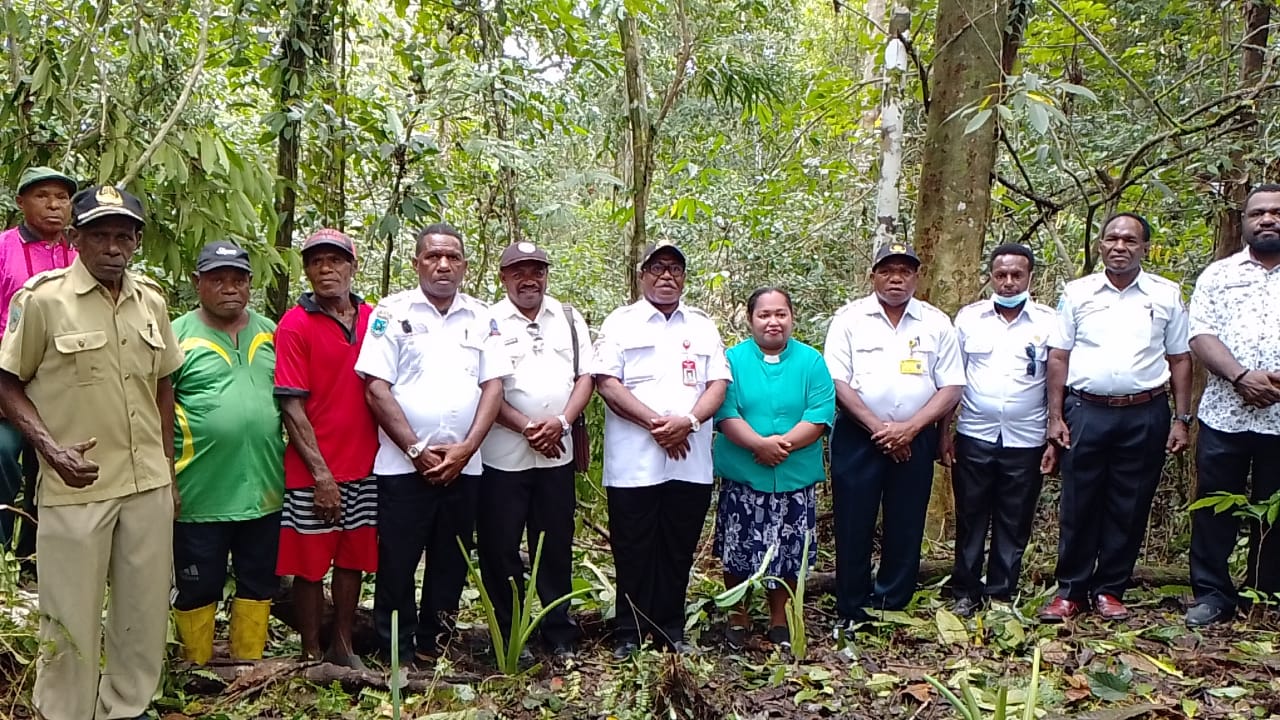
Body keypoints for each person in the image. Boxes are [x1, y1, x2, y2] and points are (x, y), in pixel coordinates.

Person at [0, 184, 183, 720]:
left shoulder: (151, 299)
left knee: (142, 617)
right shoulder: (42, 299)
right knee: (68, 620)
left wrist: (168, 474)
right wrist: (50, 449)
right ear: (76, 238)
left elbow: (164, 387)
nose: (111, 246)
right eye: (99, 234)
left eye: (122, 235)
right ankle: (64, 714)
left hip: (146, 484)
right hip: (76, 487)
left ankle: (124, 710)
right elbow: (7, 381)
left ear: (137, 241)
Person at [356, 223, 506, 665]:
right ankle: (394, 650)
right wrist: (416, 450)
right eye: (433, 257)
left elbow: (493, 387)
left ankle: (433, 646)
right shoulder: (391, 311)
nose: (443, 265)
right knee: (398, 561)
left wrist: (467, 449)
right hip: (403, 467)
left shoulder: (483, 317)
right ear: (417, 262)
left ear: (464, 265)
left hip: (465, 467)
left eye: (453, 257)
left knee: (451, 560)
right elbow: (376, 389)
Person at [1040, 212, 1192, 623]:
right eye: (1112, 239)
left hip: (1145, 412)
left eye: (1130, 240)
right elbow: (1059, 356)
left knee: (1130, 502)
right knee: (1078, 502)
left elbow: (1179, 357)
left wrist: (1181, 418)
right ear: (1101, 244)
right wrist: (1055, 417)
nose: (1119, 247)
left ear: (1144, 247)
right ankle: (1070, 590)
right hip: (1086, 410)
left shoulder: (1165, 294)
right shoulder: (1077, 293)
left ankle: (1110, 589)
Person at [592, 243, 730, 656]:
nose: (666, 275)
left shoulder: (702, 326)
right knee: (633, 548)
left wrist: (686, 423)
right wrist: (657, 423)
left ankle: (671, 630)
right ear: (642, 274)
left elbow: (718, 384)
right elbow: (607, 383)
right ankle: (629, 633)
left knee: (678, 547)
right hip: (634, 464)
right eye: (657, 268)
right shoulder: (621, 323)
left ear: (684, 278)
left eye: (675, 269)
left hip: (690, 462)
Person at [824, 242, 964, 633]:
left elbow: (951, 385)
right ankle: (851, 607)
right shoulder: (850, 319)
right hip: (858, 435)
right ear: (874, 276)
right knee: (854, 521)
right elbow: (836, 380)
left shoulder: (936, 322)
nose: (897, 278)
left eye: (905, 270)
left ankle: (890, 603)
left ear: (917, 277)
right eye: (888, 270)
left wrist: (912, 429)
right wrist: (879, 428)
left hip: (915, 437)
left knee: (906, 520)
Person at [476, 241, 592, 658]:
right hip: (502, 457)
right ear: (503, 277)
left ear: (546, 274)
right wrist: (526, 426)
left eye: (537, 270)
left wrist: (559, 423)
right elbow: (483, 385)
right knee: (500, 547)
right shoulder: (485, 319)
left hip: (556, 454)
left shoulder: (568, 316)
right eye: (518, 271)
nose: (529, 278)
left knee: (555, 544)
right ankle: (510, 635)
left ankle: (559, 632)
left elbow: (585, 377)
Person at [170, 241, 284, 663]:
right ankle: (196, 666)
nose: (230, 288)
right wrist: (166, 477)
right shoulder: (176, 334)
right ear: (198, 283)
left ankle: (248, 666)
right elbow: (158, 410)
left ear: (250, 284)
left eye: (238, 279)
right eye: (218, 279)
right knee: (199, 583)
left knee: (258, 580)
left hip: (265, 490)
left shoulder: (271, 331)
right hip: (199, 492)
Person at [274, 228, 379, 668]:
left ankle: (344, 645)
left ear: (352, 267)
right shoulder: (295, 324)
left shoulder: (377, 318)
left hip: (366, 465)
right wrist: (322, 476)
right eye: (316, 262)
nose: (326, 269)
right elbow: (292, 408)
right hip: (312, 471)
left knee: (353, 558)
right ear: (307, 270)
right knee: (311, 563)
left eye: (335, 261)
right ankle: (311, 650)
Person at [938, 244, 1057, 617]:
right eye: (1001, 275)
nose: (1008, 282)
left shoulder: (1049, 321)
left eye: (1016, 275)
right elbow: (952, 379)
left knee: (1014, 518)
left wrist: (1055, 433)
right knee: (971, 516)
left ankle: (1002, 594)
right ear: (990, 276)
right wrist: (945, 433)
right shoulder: (969, 319)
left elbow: (1058, 381)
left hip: (1027, 437)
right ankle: (965, 591)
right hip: (975, 433)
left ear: (1030, 277)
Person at [713, 287, 834, 650]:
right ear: (750, 319)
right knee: (738, 546)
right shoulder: (731, 361)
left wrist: (782, 445)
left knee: (788, 551)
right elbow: (725, 412)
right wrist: (758, 445)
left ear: (792, 317)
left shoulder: (811, 362)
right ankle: (738, 613)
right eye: (764, 314)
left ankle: (779, 618)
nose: (773, 322)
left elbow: (820, 412)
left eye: (781, 313)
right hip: (745, 472)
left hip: (794, 474)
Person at [1184, 185, 1280, 627]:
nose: (1267, 219)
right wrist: (1242, 377)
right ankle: (1212, 594)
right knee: (1215, 507)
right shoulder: (1218, 275)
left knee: (1275, 508)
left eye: (1276, 212)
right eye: (1257, 212)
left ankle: (1266, 594)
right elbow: (1200, 335)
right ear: (1242, 221)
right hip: (1225, 413)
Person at [0, 166, 77, 554]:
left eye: (61, 198)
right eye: (42, 196)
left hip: (62, 384)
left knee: (54, 467)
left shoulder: (79, 254)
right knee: (2, 453)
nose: (53, 205)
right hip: (7, 382)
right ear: (21, 202)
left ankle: (35, 556)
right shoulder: (3, 248)